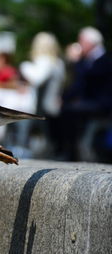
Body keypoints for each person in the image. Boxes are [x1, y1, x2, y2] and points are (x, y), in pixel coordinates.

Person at [58, 26, 112, 161]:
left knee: (69, 111)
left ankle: (70, 153)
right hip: (91, 103)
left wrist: (75, 62)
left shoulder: (103, 61)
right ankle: (70, 151)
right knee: (67, 109)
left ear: (90, 42)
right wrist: (64, 98)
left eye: (81, 41)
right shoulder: (89, 60)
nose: (79, 44)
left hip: (102, 104)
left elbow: (83, 81)